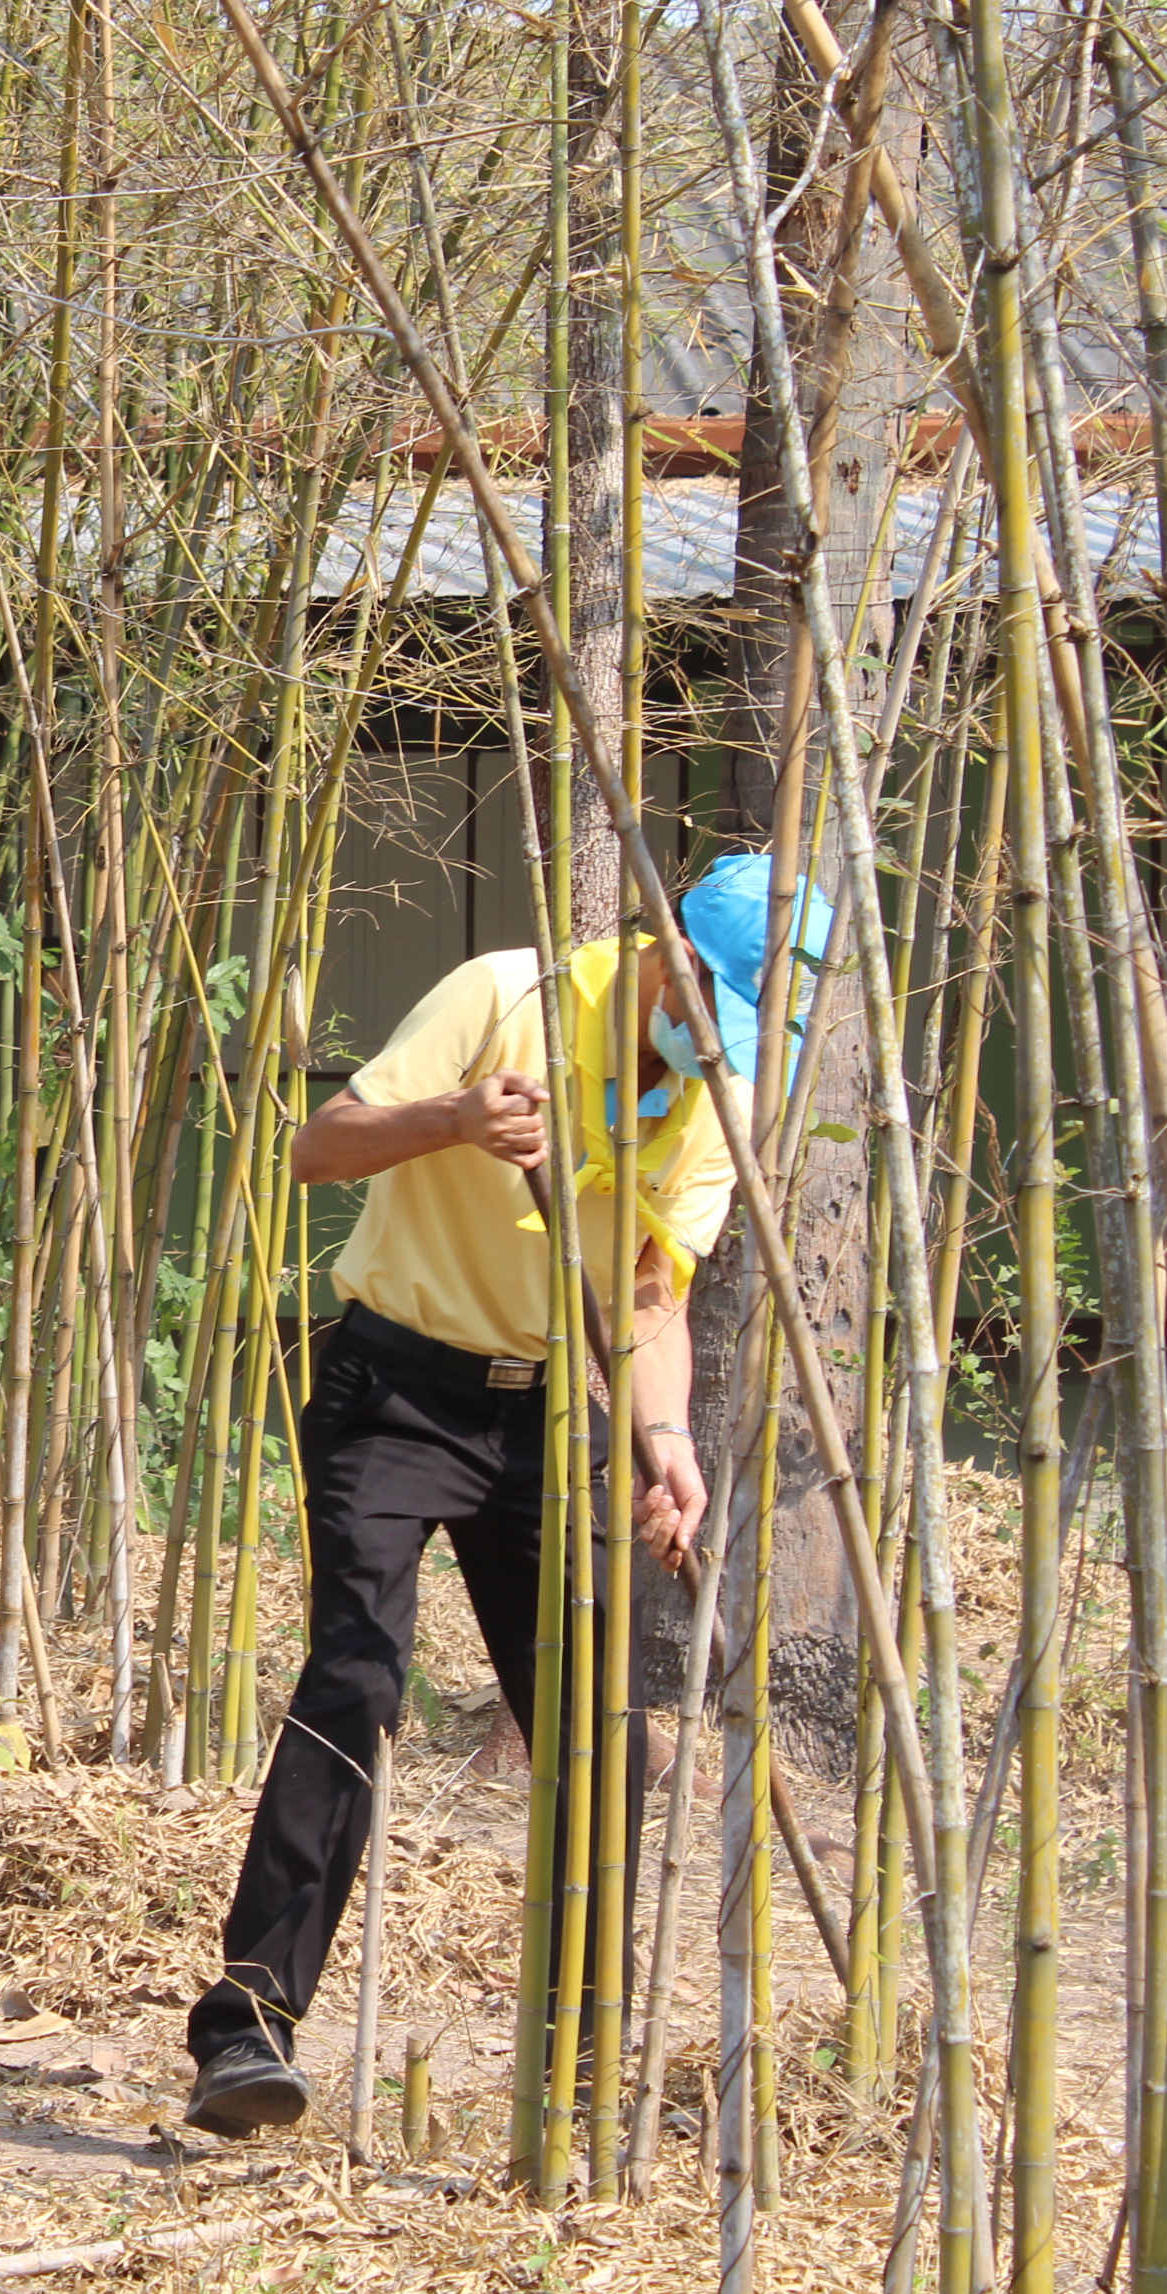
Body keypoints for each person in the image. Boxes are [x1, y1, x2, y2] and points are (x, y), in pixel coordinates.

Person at [181, 850, 831, 2137]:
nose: (717, 1051)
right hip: (394, 1386)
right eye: (715, 1012)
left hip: (538, 1412)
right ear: (670, 957)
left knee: (594, 1725)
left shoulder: (720, 1101)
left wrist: (665, 1441)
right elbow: (318, 1149)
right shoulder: (506, 994)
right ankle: (246, 2029)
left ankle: (582, 2057)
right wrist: (458, 1120)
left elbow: (646, 1296)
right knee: (358, 1681)